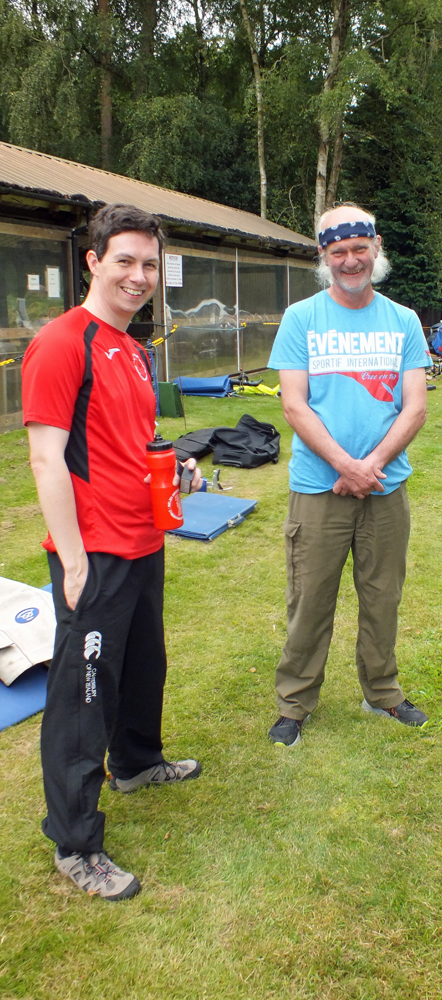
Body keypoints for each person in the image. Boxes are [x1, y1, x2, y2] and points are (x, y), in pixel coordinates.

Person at [22, 203, 202, 900]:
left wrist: (171, 467)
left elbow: (126, 439)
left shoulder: (132, 347)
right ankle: (74, 842)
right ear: (93, 260)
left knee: (142, 662)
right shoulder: (64, 341)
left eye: (150, 264)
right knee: (82, 695)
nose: (138, 275)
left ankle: (136, 762)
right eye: (124, 260)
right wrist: (71, 561)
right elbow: (45, 459)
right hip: (92, 553)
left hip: (141, 540)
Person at [267, 203, 431, 747]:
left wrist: (371, 467)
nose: (351, 260)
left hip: (385, 487)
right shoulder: (301, 318)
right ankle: (294, 704)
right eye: (339, 252)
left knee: (383, 596)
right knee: (309, 599)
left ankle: (382, 692)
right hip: (319, 488)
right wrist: (344, 465)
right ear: (324, 256)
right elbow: (294, 405)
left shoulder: (403, 320)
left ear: (376, 247)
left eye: (360, 249)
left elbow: (414, 408)